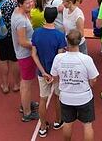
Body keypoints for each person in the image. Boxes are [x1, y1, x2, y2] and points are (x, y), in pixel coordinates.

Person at [50, 29, 100, 141]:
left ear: (67, 41)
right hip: (84, 97)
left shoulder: (59, 58)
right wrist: (89, 85)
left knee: (67, 123)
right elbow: (94, 79)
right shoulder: (86, 59)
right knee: (87, 125)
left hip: (66, 97)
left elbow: (55, 77)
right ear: (80, 41)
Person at [31, 7, 68, 137]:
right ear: (55, 18)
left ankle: (42, 127)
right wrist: (53, 74)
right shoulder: (59, 35)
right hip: (56, 74)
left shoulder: (36, 33)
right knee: (57, 97)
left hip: (42, 73)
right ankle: (58, 121)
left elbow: (34, 54)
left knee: (42, 99)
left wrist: (43, 72)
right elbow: (59, 57)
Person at [12, 0, 39, 121]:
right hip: (26, 55)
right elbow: (22, 42)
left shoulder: (18, 11)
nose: (30, 4)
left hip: (24, 55)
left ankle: (25, 105)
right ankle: (27, 113)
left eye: (31, 2)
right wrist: (37, 44)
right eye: (27, 3)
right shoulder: (20, 21)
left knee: (25, 82)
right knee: (26, 84)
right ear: (20, 4)